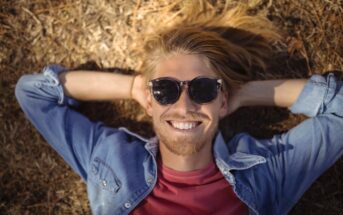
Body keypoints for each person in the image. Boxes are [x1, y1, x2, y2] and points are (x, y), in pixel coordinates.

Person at [15, 3, 342, 215]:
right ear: (149, 100)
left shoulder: (270, 172)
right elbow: (32, 93)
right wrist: (131, 87)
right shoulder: (109, 159)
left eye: (202, 89)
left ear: (223, 100)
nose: (184, 105)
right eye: (165, 89)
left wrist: (242, 94)